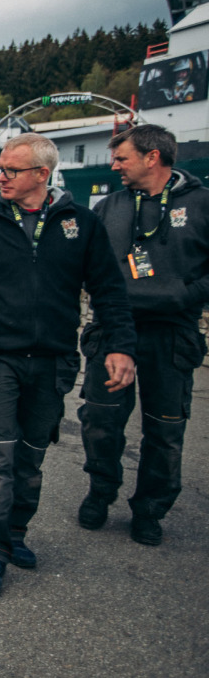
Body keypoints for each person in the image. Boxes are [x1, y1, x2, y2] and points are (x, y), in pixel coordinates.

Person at [0, 133, 136, 594]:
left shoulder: (79, 223)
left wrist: (122, 346)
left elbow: (109, 290)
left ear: (43, 174)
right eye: (0, 169)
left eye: (11, 171)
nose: (1, 176)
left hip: (52, 360)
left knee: (30, 458)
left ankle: (15, 533)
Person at [76, 124, 209, 546]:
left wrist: (184, 295)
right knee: (100, 420)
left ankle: (150, 509)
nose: (114, 165)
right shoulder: (109, 206)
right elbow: (87, 264)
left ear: (153, 157)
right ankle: (101, 491)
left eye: (122, 158)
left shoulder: (202, 203)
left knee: (165, 429)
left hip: (173, 332)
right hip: (115, 329)